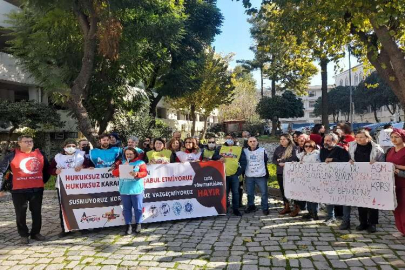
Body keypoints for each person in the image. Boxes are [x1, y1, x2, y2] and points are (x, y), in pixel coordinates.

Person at [0, 135, 50, 244]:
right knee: (20, 213)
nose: (29, 143)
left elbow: (47, 169)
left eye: (31, 141)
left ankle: (35, 233)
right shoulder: (11, 155)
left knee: (37, 212)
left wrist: (42, 181)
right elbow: (1, 171)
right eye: (26, 141)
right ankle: (23, 234)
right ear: (19, 143)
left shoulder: (40, 154)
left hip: (36, 189)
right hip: (19, 190)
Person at [48, 139, 91, 237]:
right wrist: (55, 171)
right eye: (68, 146)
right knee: (64, 207)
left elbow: (90, 166)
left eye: (73, 145)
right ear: (64, 147)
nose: (71, 148)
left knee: (81, 205)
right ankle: (65, 228)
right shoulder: (58, 157)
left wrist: (83, 167)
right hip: (63, 186)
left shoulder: (81, 155)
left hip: (79, 185)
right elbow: (50, 169)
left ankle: (83, 227)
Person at [348, 129, 384, 233]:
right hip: (358, 177)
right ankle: (363, 222)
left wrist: (376, 162)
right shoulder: (352, 147)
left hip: (373, 178)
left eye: (361, 137)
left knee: (373, 201)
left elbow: (383, 162)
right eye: (357, 137)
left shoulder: (377, 148)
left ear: (368, 138)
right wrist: (350, 160)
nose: (359, 139)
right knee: (361, 201)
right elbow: (350, 158)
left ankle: (372, 223)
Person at [112, 147, 147, 234]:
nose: (129, 155)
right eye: (127, 154)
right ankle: (128, 225)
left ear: (135, 154)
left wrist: (137, 174)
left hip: (136, 189)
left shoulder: (140, 163)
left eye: (131, 154)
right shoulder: (122, 162)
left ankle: (138, 224)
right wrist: (123, 167)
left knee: (138, 208)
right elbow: (114, 173)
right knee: (126, 209)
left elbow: (145, 173)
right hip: (124, 189)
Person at [320, 133, 351, 228]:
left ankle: (346, 220)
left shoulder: (341, 150)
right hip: (329, 177)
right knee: (329, 197)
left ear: (335, 141)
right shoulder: (323, 150)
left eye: (328, 141)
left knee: (344, 199)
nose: (326, 142)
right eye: (325, 140)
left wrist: (333, 159)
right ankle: (330, 216)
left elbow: (346, 162)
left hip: (341, 178)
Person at [212, 133, 247, 216]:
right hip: (223, 174)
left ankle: (236, 209)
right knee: (225, 192)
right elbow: (214, 157)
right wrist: (219, 158)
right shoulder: (220, 148)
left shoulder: (239, 149)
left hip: (234, 175)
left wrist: (238, 173)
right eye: (227, 138)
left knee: (235, 192)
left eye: (231, 138)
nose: (229, 139)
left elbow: (243, 162)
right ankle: (224, 208)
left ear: (234, 139)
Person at [385, 128, 405, 236]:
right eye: (392, 137)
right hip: (392, 183)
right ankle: (401, 229)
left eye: (396, 137)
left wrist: (397, 167)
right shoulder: (390, 150)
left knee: (404, 208)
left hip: (403, 183)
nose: (394, 139)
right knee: (395, 207)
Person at [272, 134, 298, 215]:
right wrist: (278, 162)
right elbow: (274, 159)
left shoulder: (294, 148)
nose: (282, 141)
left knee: (293, 190)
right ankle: (286, 206)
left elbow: (294, 158)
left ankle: (296, 207)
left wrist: (283, 161)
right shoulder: (278, 148)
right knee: (283, 190)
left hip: (290, 173)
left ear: (288, 140)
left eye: (284, 139)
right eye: (280, 139)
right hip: (280, 172)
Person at [244, 136, 270, 215]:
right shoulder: (244, 151)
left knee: (264, 192)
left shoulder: (262, 150)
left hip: (260, 175)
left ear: (257, 142)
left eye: (254, 141)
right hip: (249, 175)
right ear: (248, 143)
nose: (252, 143)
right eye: (250, 141)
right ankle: (251, 206)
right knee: (250, 193)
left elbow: (266, 160)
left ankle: (265, 207)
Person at [298, 140, 321, 221]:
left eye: (309, 146)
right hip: (305, 179)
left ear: (313, 147)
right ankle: (310, 212)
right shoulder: (304, 155)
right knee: (307, 196)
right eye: (306, 146)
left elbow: (316, 167)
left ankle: (314, 213)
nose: (307, 148)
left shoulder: (315, 155)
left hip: (313, 179)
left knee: (313, 197)